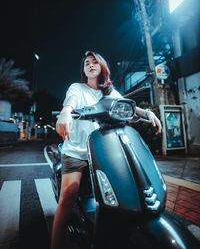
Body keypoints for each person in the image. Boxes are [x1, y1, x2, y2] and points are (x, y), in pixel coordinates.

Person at [51, 51, 162, 249]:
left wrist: (146, 113)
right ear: (84, 69)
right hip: (76, 150)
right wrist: (66, 112)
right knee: (68, 195)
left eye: (95, 62)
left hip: (101, 151)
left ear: (102, 66)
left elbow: (127, 105)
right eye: (87, 63)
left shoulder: (109, 92)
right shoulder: (77, 88)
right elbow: (71, 101)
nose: (91, 65)